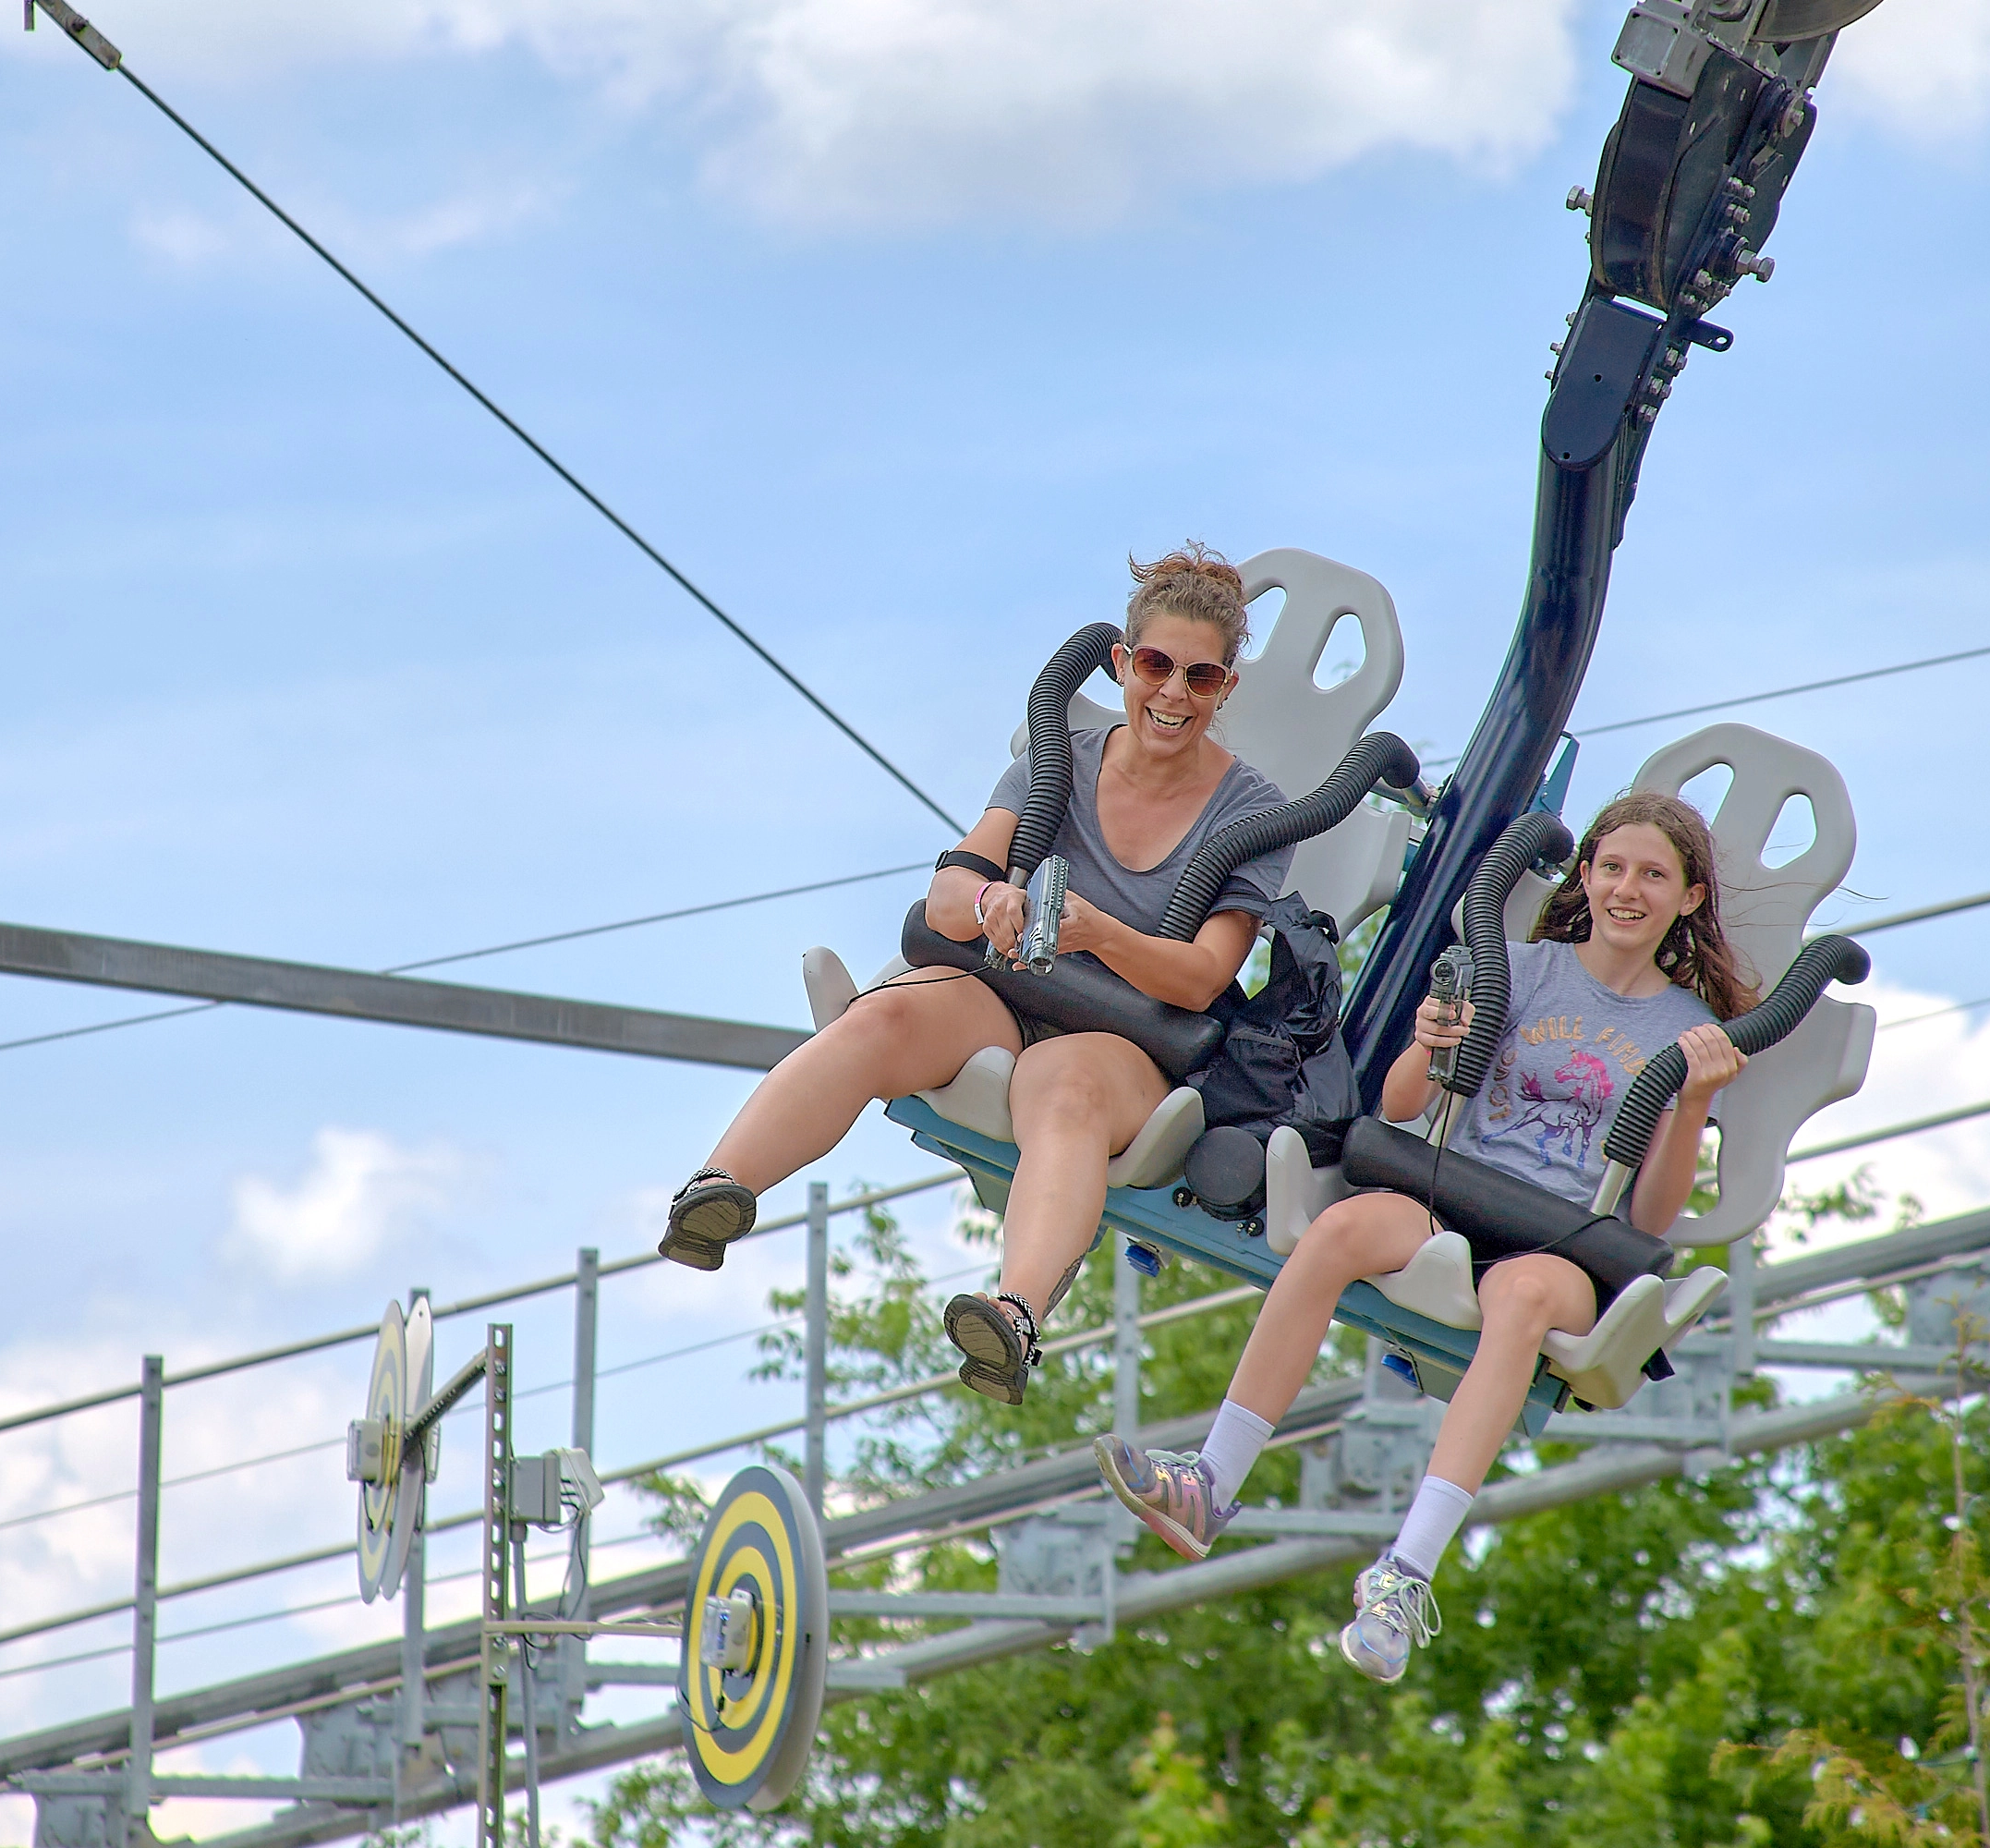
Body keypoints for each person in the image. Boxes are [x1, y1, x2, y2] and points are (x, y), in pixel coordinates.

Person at [1093, 792, 1755, 1683]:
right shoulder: (1517, 966)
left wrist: (1696, 1101)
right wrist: (1427, 1042)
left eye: (1652, 875)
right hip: (1456, 1189)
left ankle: (1404, 1576)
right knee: (1337, 1231)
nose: (1625, 890)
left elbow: (1652, 1217)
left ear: (1688, 896)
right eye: (1610, 867)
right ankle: (1211, 1482)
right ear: (1585, 875)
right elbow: (1405, 1106)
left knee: (1520, 1301)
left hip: (1560, 1241)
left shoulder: (1688, 1031)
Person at [661, 544, 1295, 1406]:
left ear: (1225, 688)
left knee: (1062, 1086)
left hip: (1127, 1043)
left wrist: (1097, 932)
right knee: (882, 1018)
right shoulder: (1059, 753)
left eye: (1201, 676)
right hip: (1008, 992)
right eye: (1155, 666)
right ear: (1121, 664)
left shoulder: (1253, 812)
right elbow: (949, 891)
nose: (1174, 693)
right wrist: (997, 900)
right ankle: (717, 1191)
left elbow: (1201, 974)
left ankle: (1014, 1315)